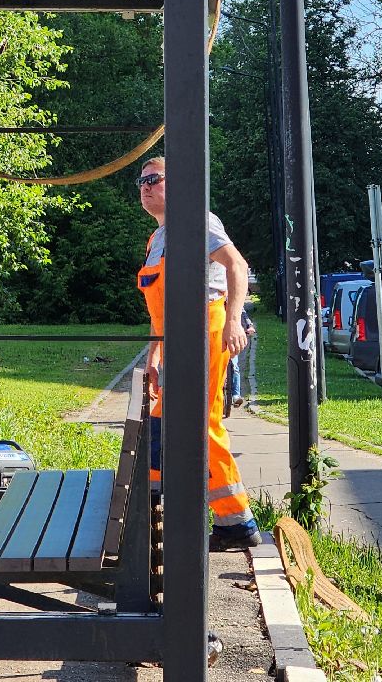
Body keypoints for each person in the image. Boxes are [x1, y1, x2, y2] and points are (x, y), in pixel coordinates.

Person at [135, 156, 261, 550]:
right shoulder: (157, 239)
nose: (145, 186)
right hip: (175, 337)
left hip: (204, 330)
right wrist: (153, 359)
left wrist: (235, 320)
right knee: (166, 420)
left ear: (178, 184)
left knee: (195, 423)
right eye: (140, 182)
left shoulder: (198, 221)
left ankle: (234, 522)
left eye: (154, 179)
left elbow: (237, 266)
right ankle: (154, 509)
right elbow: (161, 310)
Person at [224, 309, 257, 415]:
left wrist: (250, 326)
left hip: (231, 339)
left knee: (235, 367)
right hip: (217, 337)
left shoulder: (234, 304)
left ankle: (236, 395)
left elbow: (243, 315)